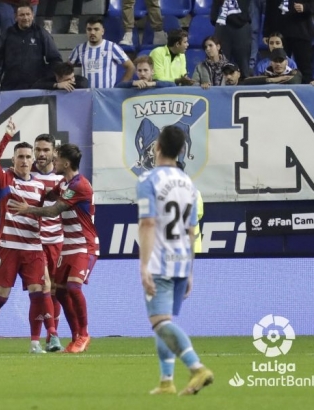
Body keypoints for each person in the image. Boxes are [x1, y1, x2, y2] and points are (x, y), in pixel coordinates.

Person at [136, 125, 213, 396]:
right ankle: (167, 381)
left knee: (159, 323)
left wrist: (144, 265)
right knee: (165, 323)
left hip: (159, 260)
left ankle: (197, 368)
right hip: (181, 260)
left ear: (156, 147)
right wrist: (190, 271)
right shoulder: (188, 184)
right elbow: (193, 230)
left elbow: (147, 223)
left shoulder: (149, 180)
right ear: (182, 150)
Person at [9, 143, 99, 354]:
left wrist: (27, 209)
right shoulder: (64, 184)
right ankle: (76, 335)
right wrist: (24, 183)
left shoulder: (80, 185)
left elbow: (53, 210)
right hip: (68, 247)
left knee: (74, 288)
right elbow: (48, 195)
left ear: (66, 163)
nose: (52, 161)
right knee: (59, 292)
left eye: (56, 158)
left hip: (84, 245)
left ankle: (84, 334)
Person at [0, 118, 54, 354]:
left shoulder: (41, 187)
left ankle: (34, 342)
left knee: (38, 293)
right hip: (8, 246)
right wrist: (6, 137)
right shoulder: (6, 179)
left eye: (27, 157)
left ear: (33, 161)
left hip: (32, 248)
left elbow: (49, 210)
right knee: (1, 296)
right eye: (20, 157)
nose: (24, 161)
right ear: (14, 160)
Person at [30, 134, 64, 352]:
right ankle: (49, 336)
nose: (41, 154)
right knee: (43, 287)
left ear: (54, 152)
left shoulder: (62, 178)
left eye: (45, 150)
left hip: (58, 241)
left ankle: (50, 335)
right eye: (38, 150)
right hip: (35, 242)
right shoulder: (26, 175)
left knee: (56, 291)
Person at [0, 2, 62, 91]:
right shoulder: (7, 34)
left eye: (28, 14)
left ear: (33, 15)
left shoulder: (41, 33)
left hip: (36, 89)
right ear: (15, 17)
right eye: (21, 15)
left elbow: (56, 59)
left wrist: (46, 79)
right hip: (10, 87)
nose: (25, 18)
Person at [263, 0, 314, 83]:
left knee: (305, 67)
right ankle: (280, 92)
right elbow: (269, 9)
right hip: (280, 35)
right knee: (279, 66)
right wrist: (266, 32)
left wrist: (305, 7)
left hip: (301, 32)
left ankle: (307, 93)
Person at [69, 16, 134, 88]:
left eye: (96, 29)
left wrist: (121, 87)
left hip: (106, 96)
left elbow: (131, 67)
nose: (92, 32)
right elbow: (66, 69)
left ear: (102, 31)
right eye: (89, 29)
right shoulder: (79, 49)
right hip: (86, 95)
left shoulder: (112, 47)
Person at [210, 0, 252, 78]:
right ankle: (219, 87)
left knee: (243, 65)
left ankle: (244, 87)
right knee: (220, 64)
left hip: (241, 25)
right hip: (222, 25)